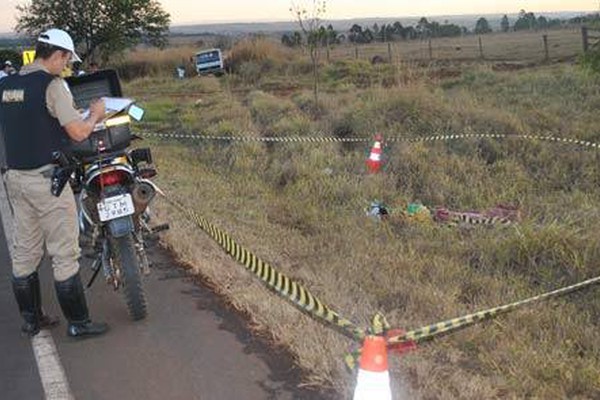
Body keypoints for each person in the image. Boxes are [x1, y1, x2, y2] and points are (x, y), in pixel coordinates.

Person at [0, 28, 109, 338]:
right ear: (58, 55)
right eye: (66, 60)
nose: (66, 66)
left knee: (26, 252)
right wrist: (96, 115)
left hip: (15, 180)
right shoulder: (53, 86)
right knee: (64, 253)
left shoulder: (7, 85)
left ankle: (31, 319)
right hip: (47, 181)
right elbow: (77, 132)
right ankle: (79, 323)